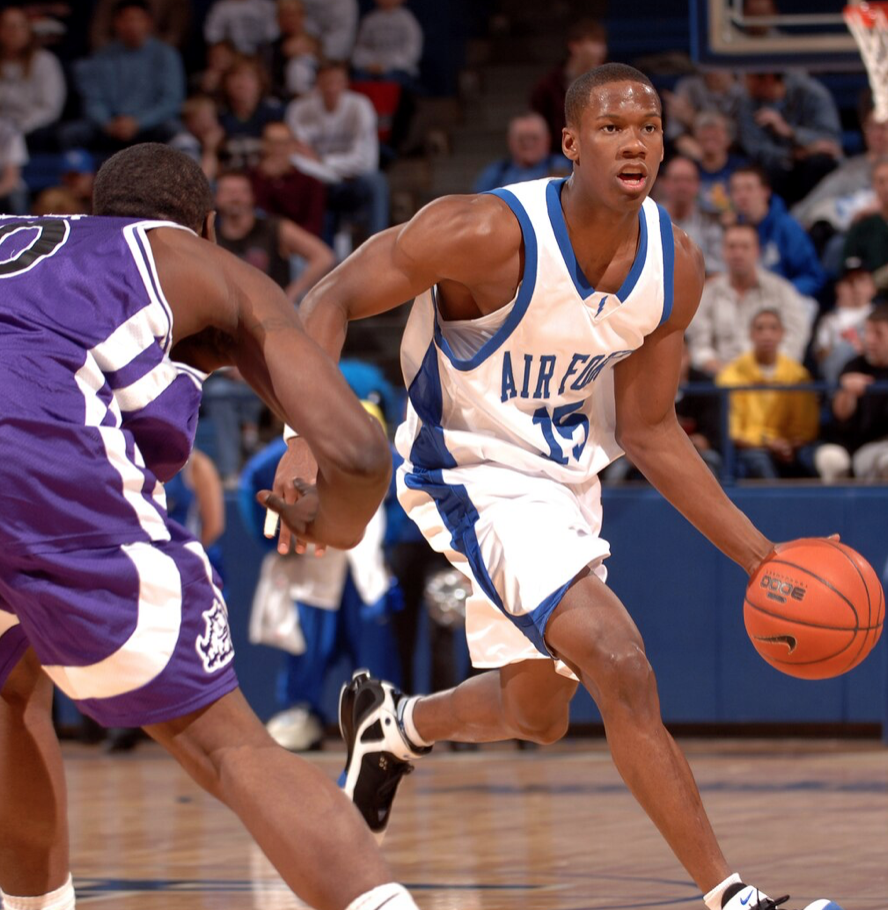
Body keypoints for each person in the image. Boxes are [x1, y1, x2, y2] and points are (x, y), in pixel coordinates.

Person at [271, 62, 838, 910]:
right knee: (621, 662)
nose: (635, 142)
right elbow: (330, 294)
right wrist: (300, 442)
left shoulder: (673, 269)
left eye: (648, 126)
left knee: (536, 716)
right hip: (466, 467)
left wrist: (762, 558)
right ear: (571, 143)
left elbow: (648, 431)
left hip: (563, 479)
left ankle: (398, 726)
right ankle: (730, 894)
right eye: (612, 127)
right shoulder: (484, 233)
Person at [0, 142, 418, 910]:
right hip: (32, 446)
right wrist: (340, 527)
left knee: (10, 693)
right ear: (207, 225)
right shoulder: (196, 262)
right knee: (225, 746)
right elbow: (360, 454)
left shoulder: (25, 242)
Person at [285, 58, 388, 243]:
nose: (331, 87)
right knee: (306, 186)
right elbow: (296, 157)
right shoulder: (299, 109)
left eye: (336, 81)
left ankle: (378, 246)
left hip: (353, 181)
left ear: (345, 83)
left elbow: (365, 161)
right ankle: (320, 259)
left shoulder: (360, 106)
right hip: (318, 181)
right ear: (317, 83)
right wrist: (328, 169)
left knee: (376, 181)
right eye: (326, 81)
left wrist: (322, 161)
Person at [686, 223, 810, 375]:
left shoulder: (782, 291)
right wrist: (722, 372)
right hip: (720, 381)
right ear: (723, 251)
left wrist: (769, 371)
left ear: (757, 251)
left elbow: (795, 339)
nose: (738, 253)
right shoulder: (708, 293)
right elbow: (699, 345)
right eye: (732, 247)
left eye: (745, 247)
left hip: (774, 379)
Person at [64, 0, 185, 153]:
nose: (132, 25)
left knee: (175, 130)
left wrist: (138, 123)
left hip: (150, 125)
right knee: (71, 134)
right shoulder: (102, 57)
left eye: (137, 19)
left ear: (148, 22)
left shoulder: (166, 56)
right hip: (110, 126)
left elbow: (170, 102)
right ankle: (81, 175)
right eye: (127, 19)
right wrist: (107, 123)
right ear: (116, 23)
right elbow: (93, 100)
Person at [716, 309, 819, 479]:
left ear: (782, 334)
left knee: (813, 458)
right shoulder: (730, 375)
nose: (767, 335)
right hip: (751, 448)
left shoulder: (798, 375)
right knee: (759, 461)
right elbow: (733, 431)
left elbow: (805, 426)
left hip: (791, 446)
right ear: (750, 334)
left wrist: (789, 445)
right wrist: (768, 443)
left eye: (773, 328)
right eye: (760, 328)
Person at [736, 71, 843, 205]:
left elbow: (831, 140)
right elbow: (756, 149)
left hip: (811, 168)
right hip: (778, 168)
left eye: (748, 77)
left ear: (768, 78)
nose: (743, 83)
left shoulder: (812, 93)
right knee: (767, 170)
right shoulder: (748, 102)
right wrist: (793, 154)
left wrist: (790, 132)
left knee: (820, 163)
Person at [729, 165, 825, 301]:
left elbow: (812, 277)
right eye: (737, 190)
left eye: (749, 188)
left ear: (765, 192)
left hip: (783, 301)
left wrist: (781, 294)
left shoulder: (788, 227)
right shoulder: (730, 230)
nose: (742, 196)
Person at [815, 303, 888, 481]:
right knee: (829, 457)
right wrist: (848, 392)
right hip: (861, 448)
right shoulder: (854, 366)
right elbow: (841, 415)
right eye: (867, 332)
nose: (869, 340)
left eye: (878, 333)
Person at [529, 18, 607, 146]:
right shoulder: (547, 86)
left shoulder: (611, 83)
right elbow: (539, 125)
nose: (601, 50)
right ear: (574, 46)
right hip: (559, 154)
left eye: (602, 44)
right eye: (594, 42)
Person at [0, 6, 66, 150]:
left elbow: (50, 108)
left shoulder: (45, 61)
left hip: (31, 127)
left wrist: (21, 126)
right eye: (8, 26)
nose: (14, 32)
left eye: (19, 26)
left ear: (29, 30)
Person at [250, 119, 327, 237]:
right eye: (272, 143)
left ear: (293, 146)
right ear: (263, 145)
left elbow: (313, 227)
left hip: (297, 245)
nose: (278, 149)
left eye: (284, 143)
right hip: (258, 243)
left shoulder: (311, 184)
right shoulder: (251, 179)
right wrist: (263, 177)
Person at [473, 111, 571, 194]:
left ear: (547, 140)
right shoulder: (494, 174)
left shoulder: (564, 168)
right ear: (510, 141)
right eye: (521, 139)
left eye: (534, 138)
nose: (528, 143)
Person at [657, 156, 723, 275]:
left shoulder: (710, 221)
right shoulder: (648, 218)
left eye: (688, 180)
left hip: (703, 288)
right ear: (664, 184)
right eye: (676, 180)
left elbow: (717, 270)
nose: (682, 187)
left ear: (697, 185)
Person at [841, 156, 888, 289]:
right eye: (881, 181)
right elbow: (849, 266)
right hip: (870, 298)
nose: (886, 188)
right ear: (873, 185)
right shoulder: (862, 225)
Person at [351, 0, 423, 84]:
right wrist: (368, 63)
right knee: (359, 77)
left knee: (390, 78)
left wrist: (386, 66)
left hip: (398, 69)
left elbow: (412, 52)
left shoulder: (408, 21)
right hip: (371, 67)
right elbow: (360, 48)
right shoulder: (369, 20)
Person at [203, 0, 279, 55]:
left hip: (260, 55)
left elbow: (273, 34)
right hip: (232, 57)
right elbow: (212, 36)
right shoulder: (222, 7)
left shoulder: (265, 5)